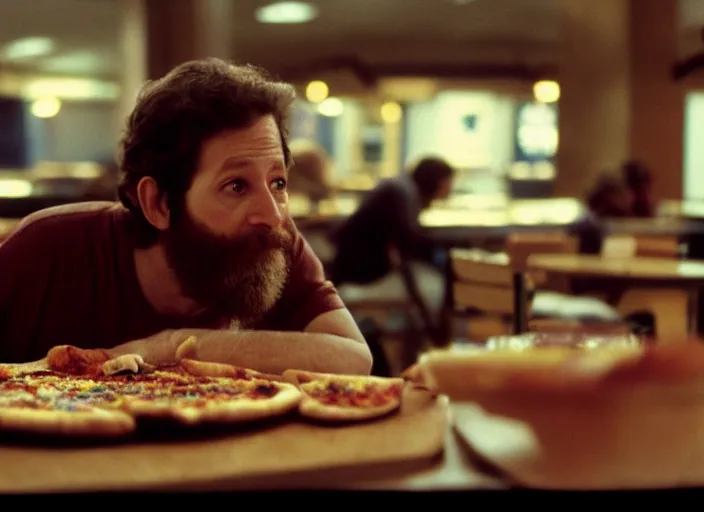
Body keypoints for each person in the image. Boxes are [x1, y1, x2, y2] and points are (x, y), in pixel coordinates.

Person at [0, 58, 372, 376]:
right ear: (158, 203)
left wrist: (176, 345)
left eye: (277, 181)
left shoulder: (272, 243)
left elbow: (354, 358)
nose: (273, 214)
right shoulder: (46, 251)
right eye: (237, 186)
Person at [327, 157, 455, 344]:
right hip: (365, 275)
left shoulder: (401, 188)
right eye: (449, 183)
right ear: (440, 181)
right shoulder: (404, 194)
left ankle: (424, 342)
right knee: (438, 285)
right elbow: (409, 240)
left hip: (351, 269)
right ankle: (434, 343)